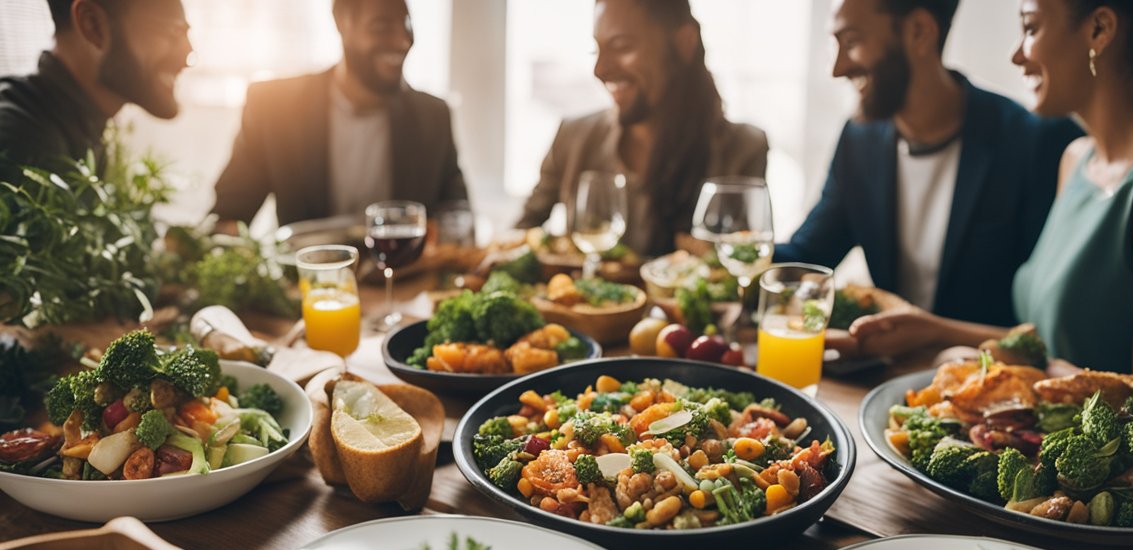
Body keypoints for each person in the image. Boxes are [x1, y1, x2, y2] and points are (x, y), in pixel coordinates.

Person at [850, 0, 1133, 418]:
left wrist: (1028, 375)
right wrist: (931, 330)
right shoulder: (1076, 160)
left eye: (1031, 28)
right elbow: (1057, 346)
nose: (1017, 54)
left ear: (1099, 30)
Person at [773, 0, 1081, 327]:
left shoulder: (1037, 143)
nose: (837, 68)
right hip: (881, 374)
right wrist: (731, 253)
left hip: (993, 375)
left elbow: (1046, 320)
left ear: (919, 32)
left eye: (852, 42)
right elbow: (809, 256)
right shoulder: (859, 141)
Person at [514, 0, 769, 258]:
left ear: (684, 43)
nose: (600, 70)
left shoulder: (744, 149)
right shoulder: (573, 136)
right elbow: (520, 235)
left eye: (622, 47)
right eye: (596, 50)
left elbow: (741, 264)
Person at [211, 0, 468, 228]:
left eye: (407, 25)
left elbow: (457, 215)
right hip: (308, 280)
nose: (402, 41)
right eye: (382, 27)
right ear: (343, 23)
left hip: (408, 280)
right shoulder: (274, 108)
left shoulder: (433, 116)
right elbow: (230, 214)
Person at [0, 0, 192, 184]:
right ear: (92, 25)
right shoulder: (22, 146)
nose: (188, 57)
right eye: (173, 32)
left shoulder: (89, 123)